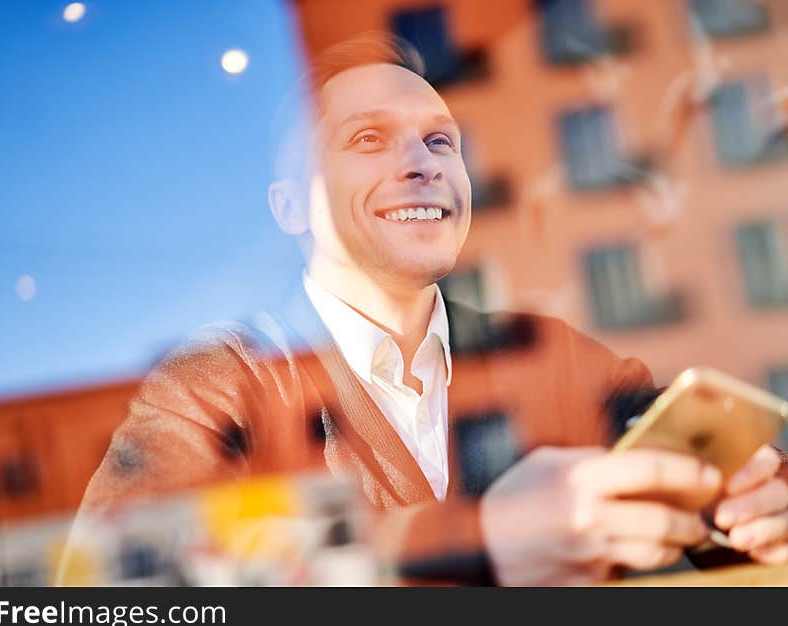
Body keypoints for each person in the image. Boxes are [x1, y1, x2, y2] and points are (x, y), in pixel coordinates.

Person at [65, 35, 788, 586]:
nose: (423, 161)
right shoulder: (217, 382)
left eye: (440, 138)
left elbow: (687, 490)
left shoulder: (551, 352)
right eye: (368, 139)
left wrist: (736, 515)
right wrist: (479, 539)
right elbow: (117, 588)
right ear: (290, 207)